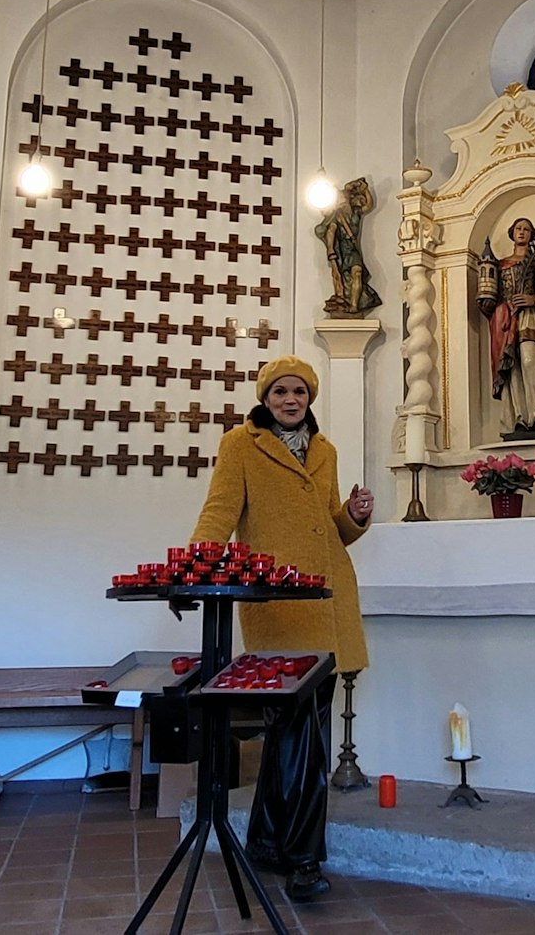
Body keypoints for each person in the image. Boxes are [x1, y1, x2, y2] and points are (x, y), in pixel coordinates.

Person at [190, 356, 373, 901]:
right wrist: (195, 570)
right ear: (265, 398)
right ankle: (304, 860)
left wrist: (354, 514)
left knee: (296, 737)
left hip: (330, 599)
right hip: (279, 606)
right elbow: (219, 512)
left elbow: (332, 530)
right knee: (303, 740)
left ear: (309, 399)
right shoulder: (240, 445)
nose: (290, 401)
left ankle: (270, 845)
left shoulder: (326, 451)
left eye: (299, 393)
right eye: (280, 393)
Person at [477, 217, 535, 438]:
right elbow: (489, 295)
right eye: (518, 228)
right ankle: (518, 418)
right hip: (505, 322)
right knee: (511, 368)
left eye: (526, 229)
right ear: (512, 233)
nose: (522, 232)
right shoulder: (501, 265)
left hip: (530, 318)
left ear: (532, 235)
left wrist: (533, 299)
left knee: (529, 361)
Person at [314, 178, 382, 318]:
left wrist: (365, 190)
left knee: (357, 273)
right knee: (344, 279)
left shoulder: (356, 212)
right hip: (343, 251)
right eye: (340, 199)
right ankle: (347, 303)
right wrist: (331, 251)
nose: (343, 201)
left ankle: (354, 306)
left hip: (353, 249)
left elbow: (368, 205)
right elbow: (330, 231)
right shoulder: (336, 216)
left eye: (344, 198)